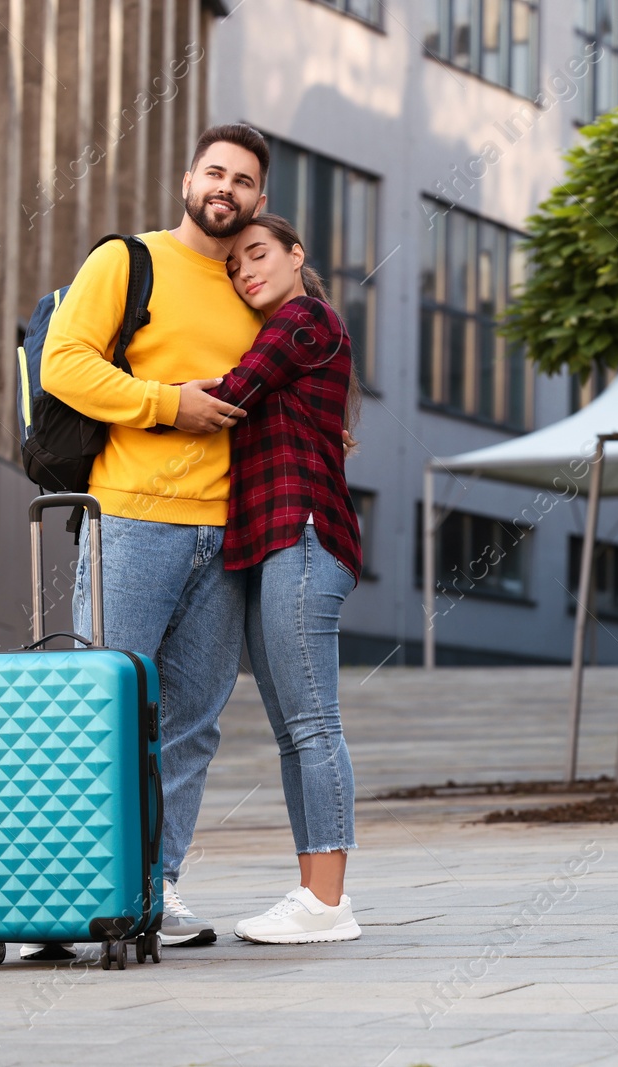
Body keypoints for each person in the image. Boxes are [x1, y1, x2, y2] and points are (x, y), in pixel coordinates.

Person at [38, 123, 273, 951]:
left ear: (259, 200)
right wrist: (169, 402)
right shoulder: (127, 261)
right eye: (216, 172)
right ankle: (68, 897)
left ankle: (155, 888)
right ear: (188, 179)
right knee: (96, 712)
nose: (227, 190)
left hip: (227, 535)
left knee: (192, 723)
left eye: (243, 182)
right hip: (132, 517)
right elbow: (63, 362)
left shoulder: (256, 288)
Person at [207, 214, 364, 944]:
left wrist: (151, 391)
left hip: (303, 535)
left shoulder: (303, 318)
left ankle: (329, 901)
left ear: (298, 255)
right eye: (234, 265)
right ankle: (314, 893)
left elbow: (233, 391)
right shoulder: (289, 327)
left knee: (312, 724)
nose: (246, 271)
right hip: (274, 545)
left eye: (258, 254)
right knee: (292, 730)